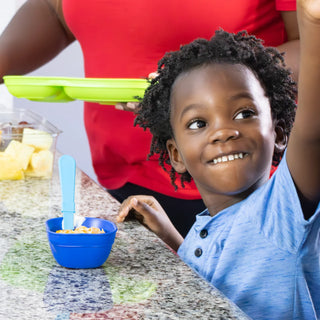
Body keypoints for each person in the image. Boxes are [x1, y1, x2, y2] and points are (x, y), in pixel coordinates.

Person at [0, 0, 299, 237]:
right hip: (123, 189)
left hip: (245, 192)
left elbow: (311, 47)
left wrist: (185, 87)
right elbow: (54, 10)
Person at [116, 0, 320, 318]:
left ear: (280, 133)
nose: (223, 132)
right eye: (199, 123)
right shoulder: (206, 225)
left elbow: (313, 132)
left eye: (244, 113)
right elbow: (210, 290)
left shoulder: (282, 212)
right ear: (176, 154)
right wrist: (171, 238)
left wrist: (313, 22)